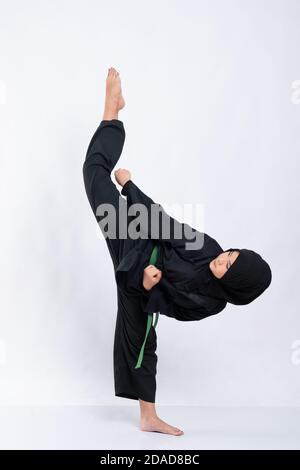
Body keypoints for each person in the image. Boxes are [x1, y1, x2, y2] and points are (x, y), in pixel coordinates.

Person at [82, 67, 272, 436]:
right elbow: (165, 225)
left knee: (140, 342)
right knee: (94, 173)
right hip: (135, 243)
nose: (221, 260)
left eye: (228, 267)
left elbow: (175, 308)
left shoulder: (211, 303)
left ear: (234, 286)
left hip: (142, 287)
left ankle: (148, 417)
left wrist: (151, 286)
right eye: (229, 254)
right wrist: (131, 187)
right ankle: (112, 113)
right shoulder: (210, 248)